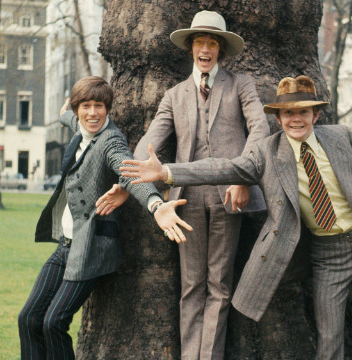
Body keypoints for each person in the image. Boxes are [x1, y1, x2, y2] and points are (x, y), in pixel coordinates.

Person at [119, 75, 352, 360]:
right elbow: (222, 167)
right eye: (288, 113)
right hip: (328, 257)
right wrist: (166, 172)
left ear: (316, 114)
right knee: (329, 343)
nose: (295, 119)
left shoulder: (339, 137)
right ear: (279, 118)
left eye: (303, 111)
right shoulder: (267, 153)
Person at [97, 10, 270, 359]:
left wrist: (243, 176)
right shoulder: (173, 95)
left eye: (212, 43)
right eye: (199, 42)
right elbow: (147, 146)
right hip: (184, 202)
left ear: (221, 49)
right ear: (190, 47)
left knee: (219, 285)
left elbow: (261, 132)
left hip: (229, 197)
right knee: (192, 286)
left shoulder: (242, 85)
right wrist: (125, 182)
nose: (205, 49)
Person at [17, 76, 191, 360]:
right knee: (28, 319)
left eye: (99, 106)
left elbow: (129, 173)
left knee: (53, 323)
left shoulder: (110, 139)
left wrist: (156, 204)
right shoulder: (78, 125)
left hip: (90, 248)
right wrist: (63, 114)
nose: (92, 113)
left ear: (107, 108)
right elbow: (69, 119)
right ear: (77, 109)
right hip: (64, 247)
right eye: (85, 106)